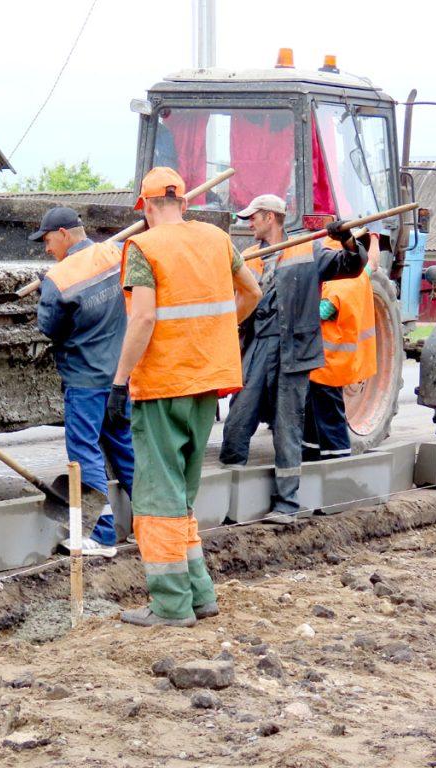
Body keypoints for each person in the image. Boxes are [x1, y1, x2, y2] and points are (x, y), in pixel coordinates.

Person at [106, 167, 261, 627]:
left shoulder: (144, 248)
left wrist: (119, 381)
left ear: (145, 207)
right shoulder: (218, 239)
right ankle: (200, 594)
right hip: (206, 383)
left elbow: (143, 319)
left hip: (162, 385)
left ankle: (171, 605)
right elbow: (252, 290)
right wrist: (217, 331)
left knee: (157, 499)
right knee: (181, 496)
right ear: (185, 203)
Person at [31, 206, 135, 556]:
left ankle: (101, 535)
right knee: (125, 449)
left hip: (85, 379)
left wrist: (46, 296)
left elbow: (50, 328)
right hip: (119, 376)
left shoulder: (59, 278)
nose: (47, 249)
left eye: (47, 240)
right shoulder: (116, 253)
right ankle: (151, 525)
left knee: (84, 453)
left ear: (63, 233)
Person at [268, 220, 369, 520]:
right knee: (313, 423)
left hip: (331, 360)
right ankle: (314, 474)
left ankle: (339, 487)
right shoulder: (337, 268)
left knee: (331, 421)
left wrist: (299, 309)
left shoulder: (343, 277)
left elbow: (328, 308)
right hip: (319, 360)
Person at [219, 194, 286, 466]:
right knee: (242, 408)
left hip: (290, 345)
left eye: (253, 218)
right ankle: (232, 466)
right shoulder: (248, 257)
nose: (248, 224)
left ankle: (292, 475)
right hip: (257, 340)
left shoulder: (300, 250)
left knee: (288, 416)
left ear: (270, 217)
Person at [303, 244, 378, 462]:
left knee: (329, 417)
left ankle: (338, 463)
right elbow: (372, 264)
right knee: (315, 416)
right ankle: (311, 454)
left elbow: (321, 312)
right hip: (330, 363)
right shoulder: (360, 275)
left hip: (328, 364)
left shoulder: (340, 285)